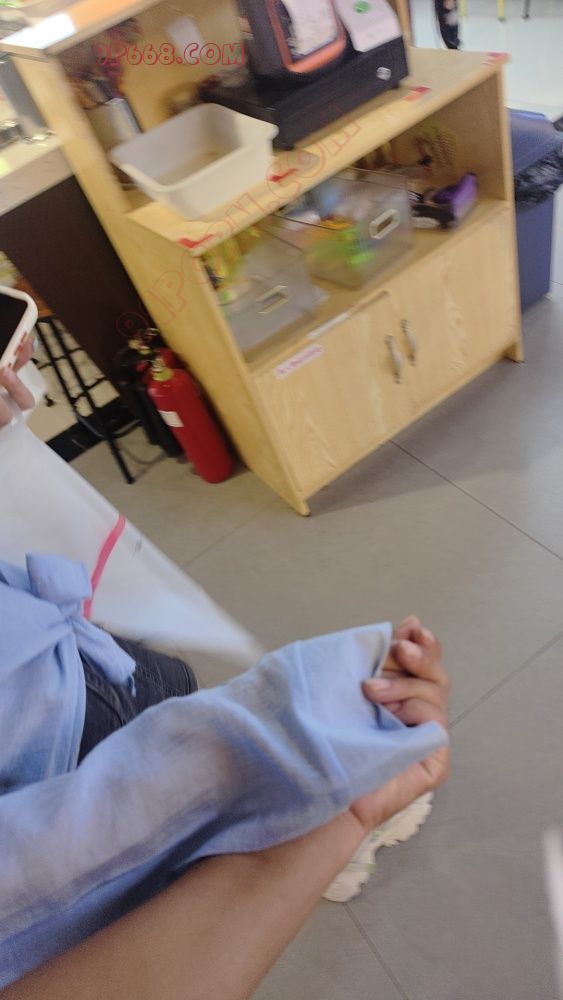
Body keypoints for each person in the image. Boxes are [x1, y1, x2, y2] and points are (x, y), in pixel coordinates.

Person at [0, 354, 450, 999]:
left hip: (49, 661)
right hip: (41, 716)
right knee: (166, 810)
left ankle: (291, 812)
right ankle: (301, 821)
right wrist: (325, 828)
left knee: (169, 691)